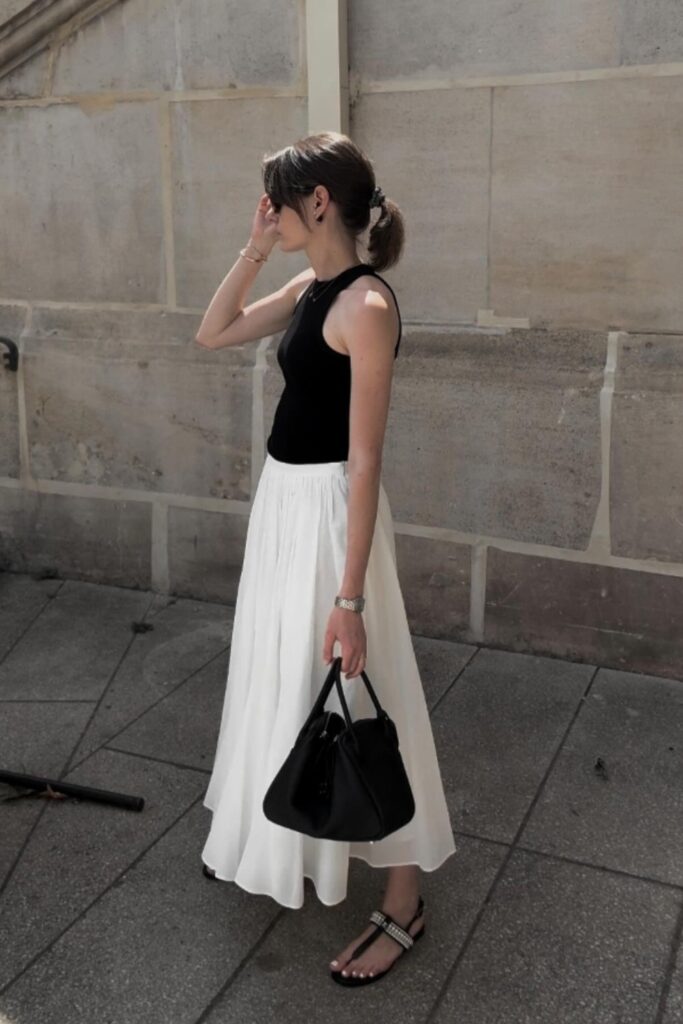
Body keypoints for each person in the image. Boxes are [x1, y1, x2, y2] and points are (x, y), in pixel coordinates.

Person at [195, 131, 456, 986]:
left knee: (364, 693)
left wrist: (350, 601)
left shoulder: (365, 308)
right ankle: (276, 835)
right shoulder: (312, 284)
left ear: (319, 202)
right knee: (279, 676)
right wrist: (255, 247)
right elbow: (214, 332)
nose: (270, 210)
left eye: (278, 199)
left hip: (330, 521)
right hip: (283, 505)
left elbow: (367, 460)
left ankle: (405, 897)